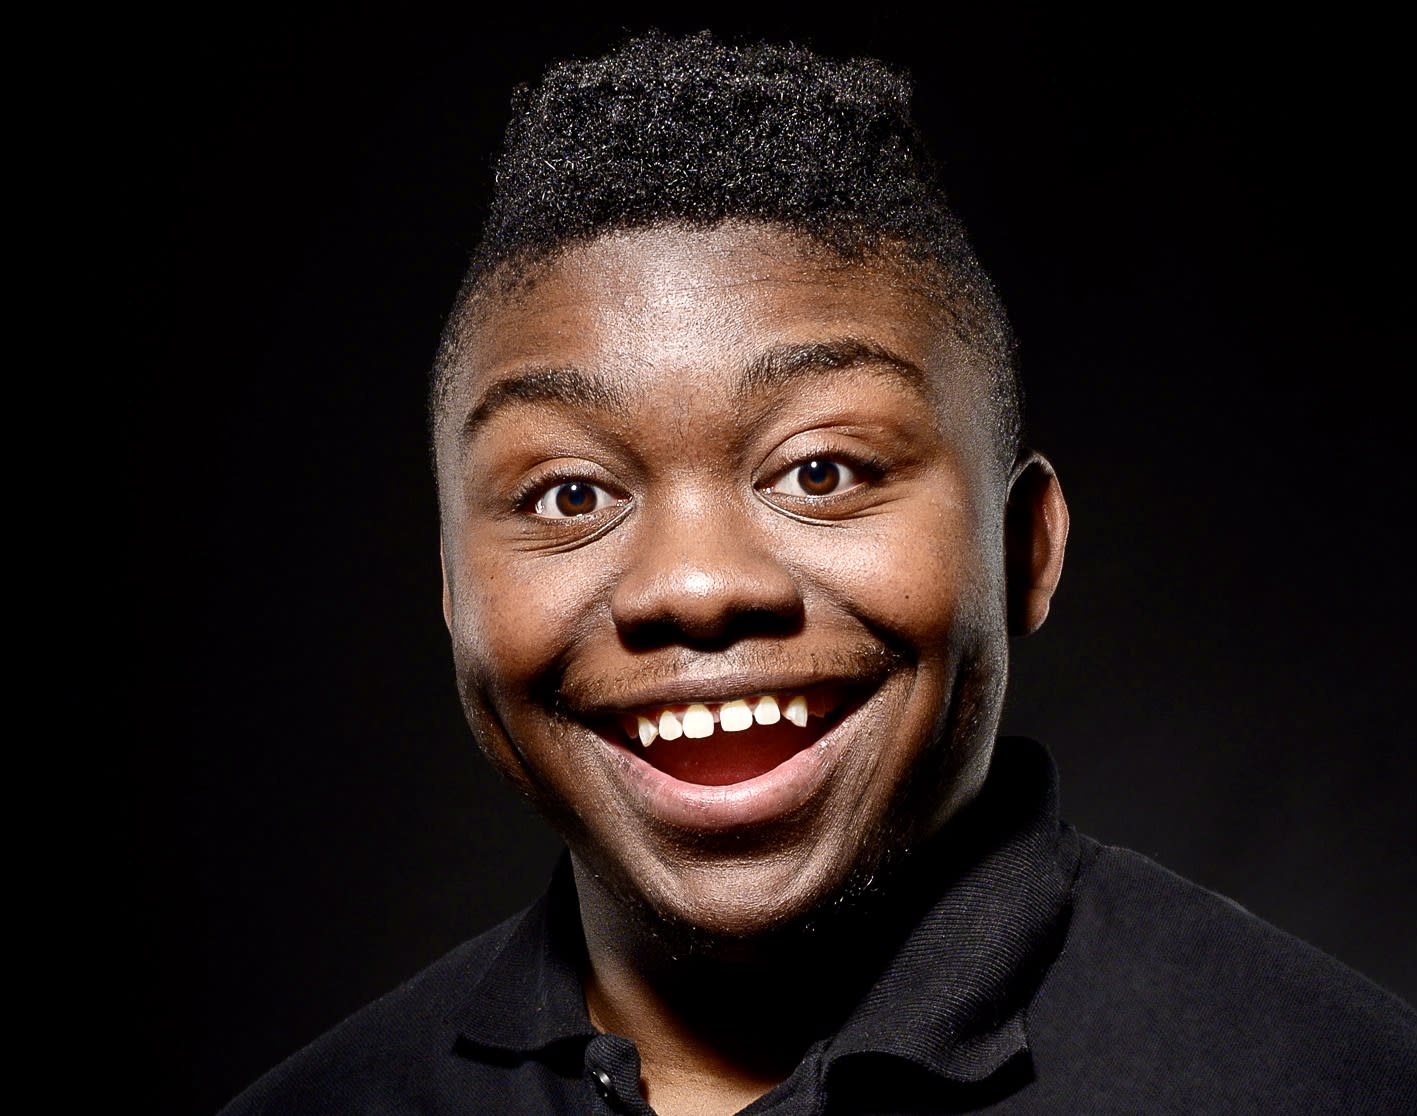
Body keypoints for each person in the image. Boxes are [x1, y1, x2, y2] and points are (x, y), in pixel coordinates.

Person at [219, 31, 1415, 1115]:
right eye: (570, 495)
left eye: (824, 470)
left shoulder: (1325, 1084)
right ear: (450, 594)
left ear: (1026, 547)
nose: (693, 586)